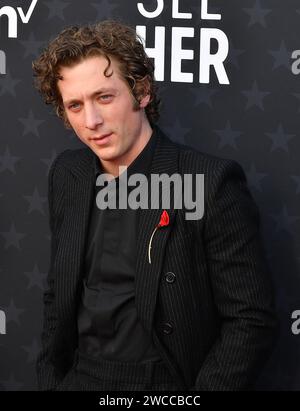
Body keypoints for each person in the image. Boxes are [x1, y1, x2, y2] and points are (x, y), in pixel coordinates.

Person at [32, 20, 277, 391]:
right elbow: (59, 292)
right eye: (75, 106)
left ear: (142, 91)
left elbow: (250, 319)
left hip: (163, 384)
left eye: (104, 97)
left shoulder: (208, 182)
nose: (91, 121)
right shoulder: (69, 174)